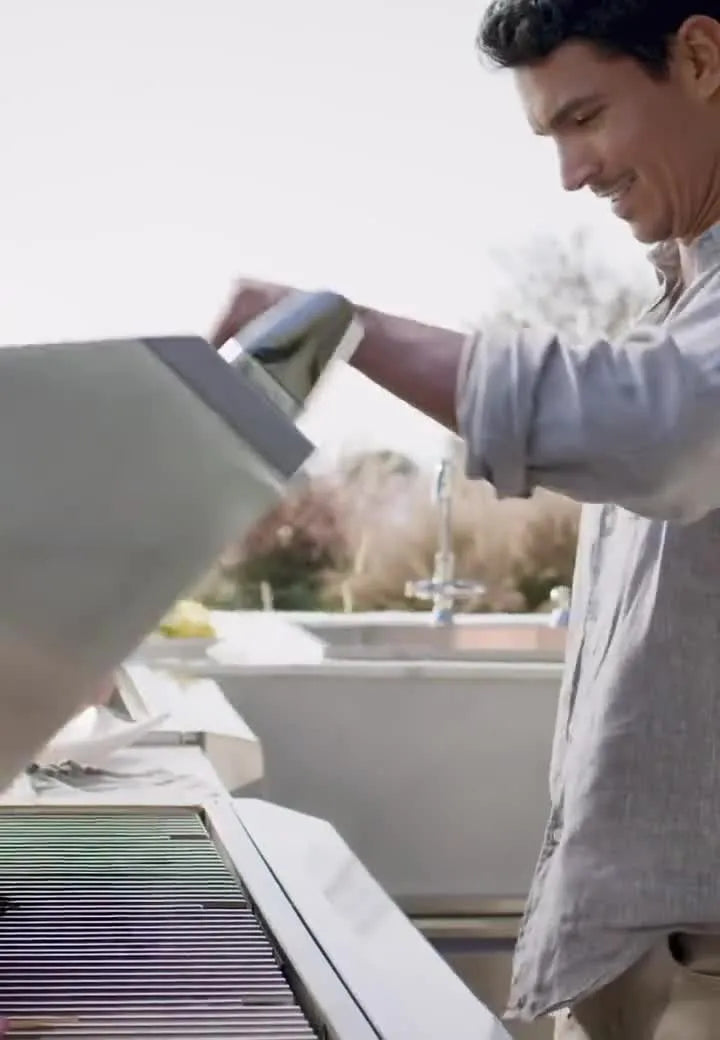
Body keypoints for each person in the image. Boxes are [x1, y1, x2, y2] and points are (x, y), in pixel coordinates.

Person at [210, 3, 720, 1037]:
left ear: (701, 57)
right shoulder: (681, 296)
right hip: (653, 933)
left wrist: (339, 327)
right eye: (553, 137)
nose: (574, 173)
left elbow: (670, 425)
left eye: (587, 117)